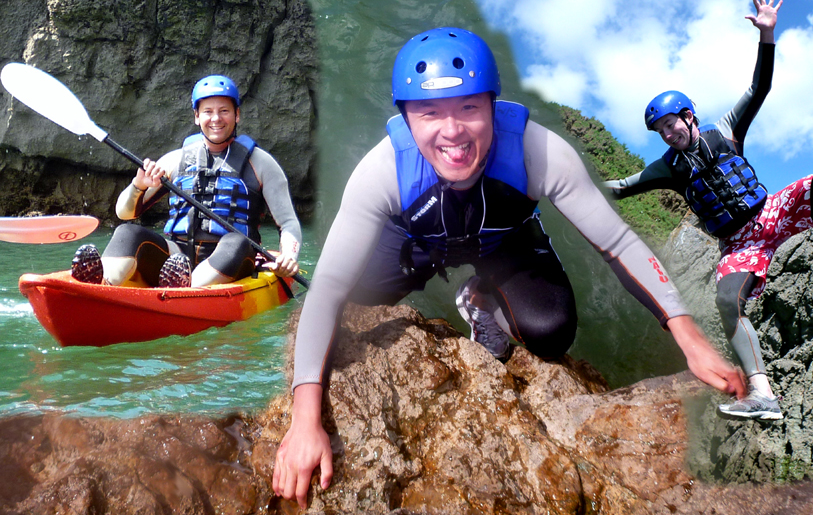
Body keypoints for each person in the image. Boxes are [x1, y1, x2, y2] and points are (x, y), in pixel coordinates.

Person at [272, 27, 746, 508]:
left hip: (506, 240)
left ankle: (481, 302)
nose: (452, 131)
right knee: (355, 303)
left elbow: (617, 241)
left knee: (551, 333)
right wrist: (305, 418)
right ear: (406, 119)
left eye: (469, 108)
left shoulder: (539, 152)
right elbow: (327, 288)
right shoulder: (382, 172)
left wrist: (688, 337)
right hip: (419, 241)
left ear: (493, 108)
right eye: (429, 112)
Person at [605, 0, 797, 420]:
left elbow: (759, 87)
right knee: (726, 302)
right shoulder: (667, 168)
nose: (668, 134)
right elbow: (619, 187)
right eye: (660, 131)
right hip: (737, 244)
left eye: (671, 124)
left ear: (689, 116)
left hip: (772, 213)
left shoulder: (725, 131)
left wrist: (767, 36)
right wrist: (565, 174)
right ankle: (763, 394)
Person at [70, 74, 302, 288]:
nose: (216, 119)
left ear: (237, 115)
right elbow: (124, 213)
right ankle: (103, 285)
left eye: (224, 111)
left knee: (239, 241)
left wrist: (288, 257)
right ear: (196, 116)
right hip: (176, 257)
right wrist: (138, 186)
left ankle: (183, 292)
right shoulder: (175, 161)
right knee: (128, 232)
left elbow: (288, 223)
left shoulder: (261, 163)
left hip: (231, 260)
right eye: (208, 111)